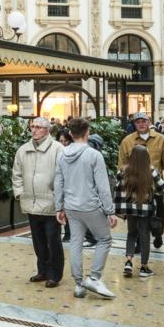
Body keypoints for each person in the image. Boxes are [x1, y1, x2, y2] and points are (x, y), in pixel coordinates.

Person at [54, 117, 116, 300]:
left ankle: (79, 284)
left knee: (75, 243)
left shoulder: (62, 154)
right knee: (104, 239)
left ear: (71, 134)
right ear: (87, 132)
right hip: (90, 205)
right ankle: (94, 278)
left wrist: (59, 207)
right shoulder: (94, 155)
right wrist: (110, 210)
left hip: (71, 206)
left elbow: (58, 182)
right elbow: (103, 186)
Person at [12, 116, 64, 287]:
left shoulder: (58, 149)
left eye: (38, 127)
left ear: (47, 130)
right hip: (31, 203)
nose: (34, 130)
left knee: (53, 240)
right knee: (38, 241)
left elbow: (63, 176)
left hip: (51, 205)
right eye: (32, 126)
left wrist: (60, 200)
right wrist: (20, 193)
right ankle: (42, 270)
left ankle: (54, 274)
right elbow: (16, 174)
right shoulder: (23, 150)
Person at [115, 145, 164, 279]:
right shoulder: (151, 171)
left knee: (131, 234)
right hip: (145, 211)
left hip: (130, 210)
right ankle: (144, 267)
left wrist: (120, 208)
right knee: (144, 237)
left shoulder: (123, 171)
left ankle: (128, 262)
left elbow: (118, 188)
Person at [117, 112, 164, 184]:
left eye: (143, 121)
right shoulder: (127, 141)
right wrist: (123, 183)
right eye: (138, 122)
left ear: (149, 122)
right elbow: (122, 164)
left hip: (156, 184)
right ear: (134, 124)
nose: (141, 124)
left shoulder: (161, 139)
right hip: (134, 185)